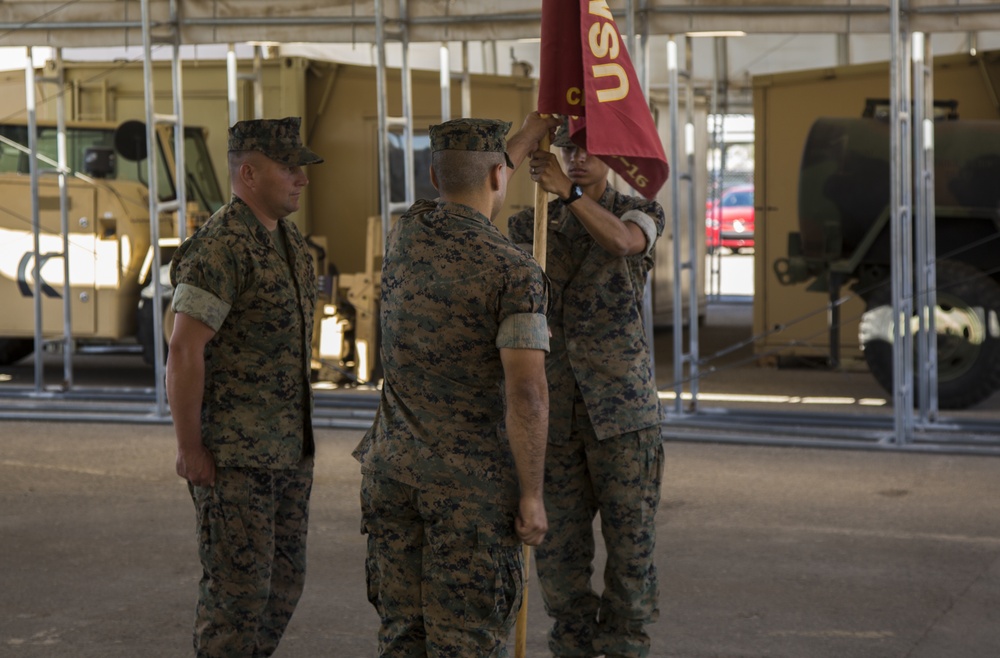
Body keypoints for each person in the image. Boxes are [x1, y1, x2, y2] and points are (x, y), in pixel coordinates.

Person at [353, 112, 559, 657]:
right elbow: (528, 394)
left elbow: (480, 172)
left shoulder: (406, 234)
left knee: (402, 638)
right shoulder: (513, 271)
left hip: (392, 475)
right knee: (465, 644)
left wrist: (530, 133)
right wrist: (533, 496)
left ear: (433, 177)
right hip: (469, 494)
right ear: (499, 176)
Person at [507, 122, 666, 658]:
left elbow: (623, 244)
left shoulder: (637, 211)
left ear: (613, 154)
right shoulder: (532, 225)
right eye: (568, 148)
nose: (577, 157)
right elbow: (476, 193)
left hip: (623, 417)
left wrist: (569, 193)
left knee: (631, 558)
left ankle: (625, 648)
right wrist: (528, 135)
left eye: (589, 148)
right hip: (555, 419)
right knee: (559, 561)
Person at [167, 116, 323, 658]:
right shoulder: (221, 247)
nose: (301, 178)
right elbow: (185, 350)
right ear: (250, 173)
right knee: (236, 598)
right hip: (235, 458)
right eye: (289, 168)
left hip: (286, 450)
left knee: (282, 586)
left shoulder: (289, 242)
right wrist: (190, 449)